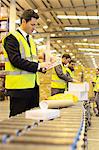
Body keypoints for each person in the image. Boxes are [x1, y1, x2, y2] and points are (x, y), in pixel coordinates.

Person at [2, 9, 51, 117]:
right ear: (24, 22)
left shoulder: (32, 41)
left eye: (35, 25)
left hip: (33, 87)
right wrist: (38, 65)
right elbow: (16, 60)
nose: (34, 28)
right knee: (17, 121)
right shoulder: (11, 38)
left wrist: (41, 67)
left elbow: (31, 60)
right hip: (18, 89)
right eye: (32, 24)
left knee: (32, 119)